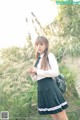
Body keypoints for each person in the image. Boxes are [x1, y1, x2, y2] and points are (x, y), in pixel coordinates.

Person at [27, 36, 68, 120]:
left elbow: (55, 72)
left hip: (50, 88)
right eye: (37, 44)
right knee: (55, 117)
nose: (39, 46)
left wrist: (37, 71)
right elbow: (36, 79)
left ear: (46, 45)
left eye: (41, 44)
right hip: (42, 89)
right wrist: (32, 73)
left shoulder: (49, 55)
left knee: (62, 117)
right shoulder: (37, 59)